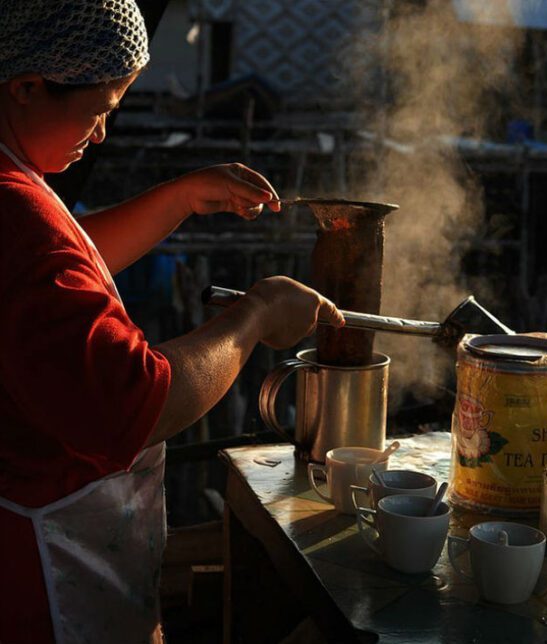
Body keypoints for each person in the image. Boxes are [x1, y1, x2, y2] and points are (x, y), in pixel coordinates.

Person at [0, 2, 344, 642]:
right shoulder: (15, 216)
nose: (102, 132)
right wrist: (256, 315)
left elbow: (65, 265)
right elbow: (137, 404)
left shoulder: (14, 183)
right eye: (100, 108)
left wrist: (178, 198)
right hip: (39, 585)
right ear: (24, 87)